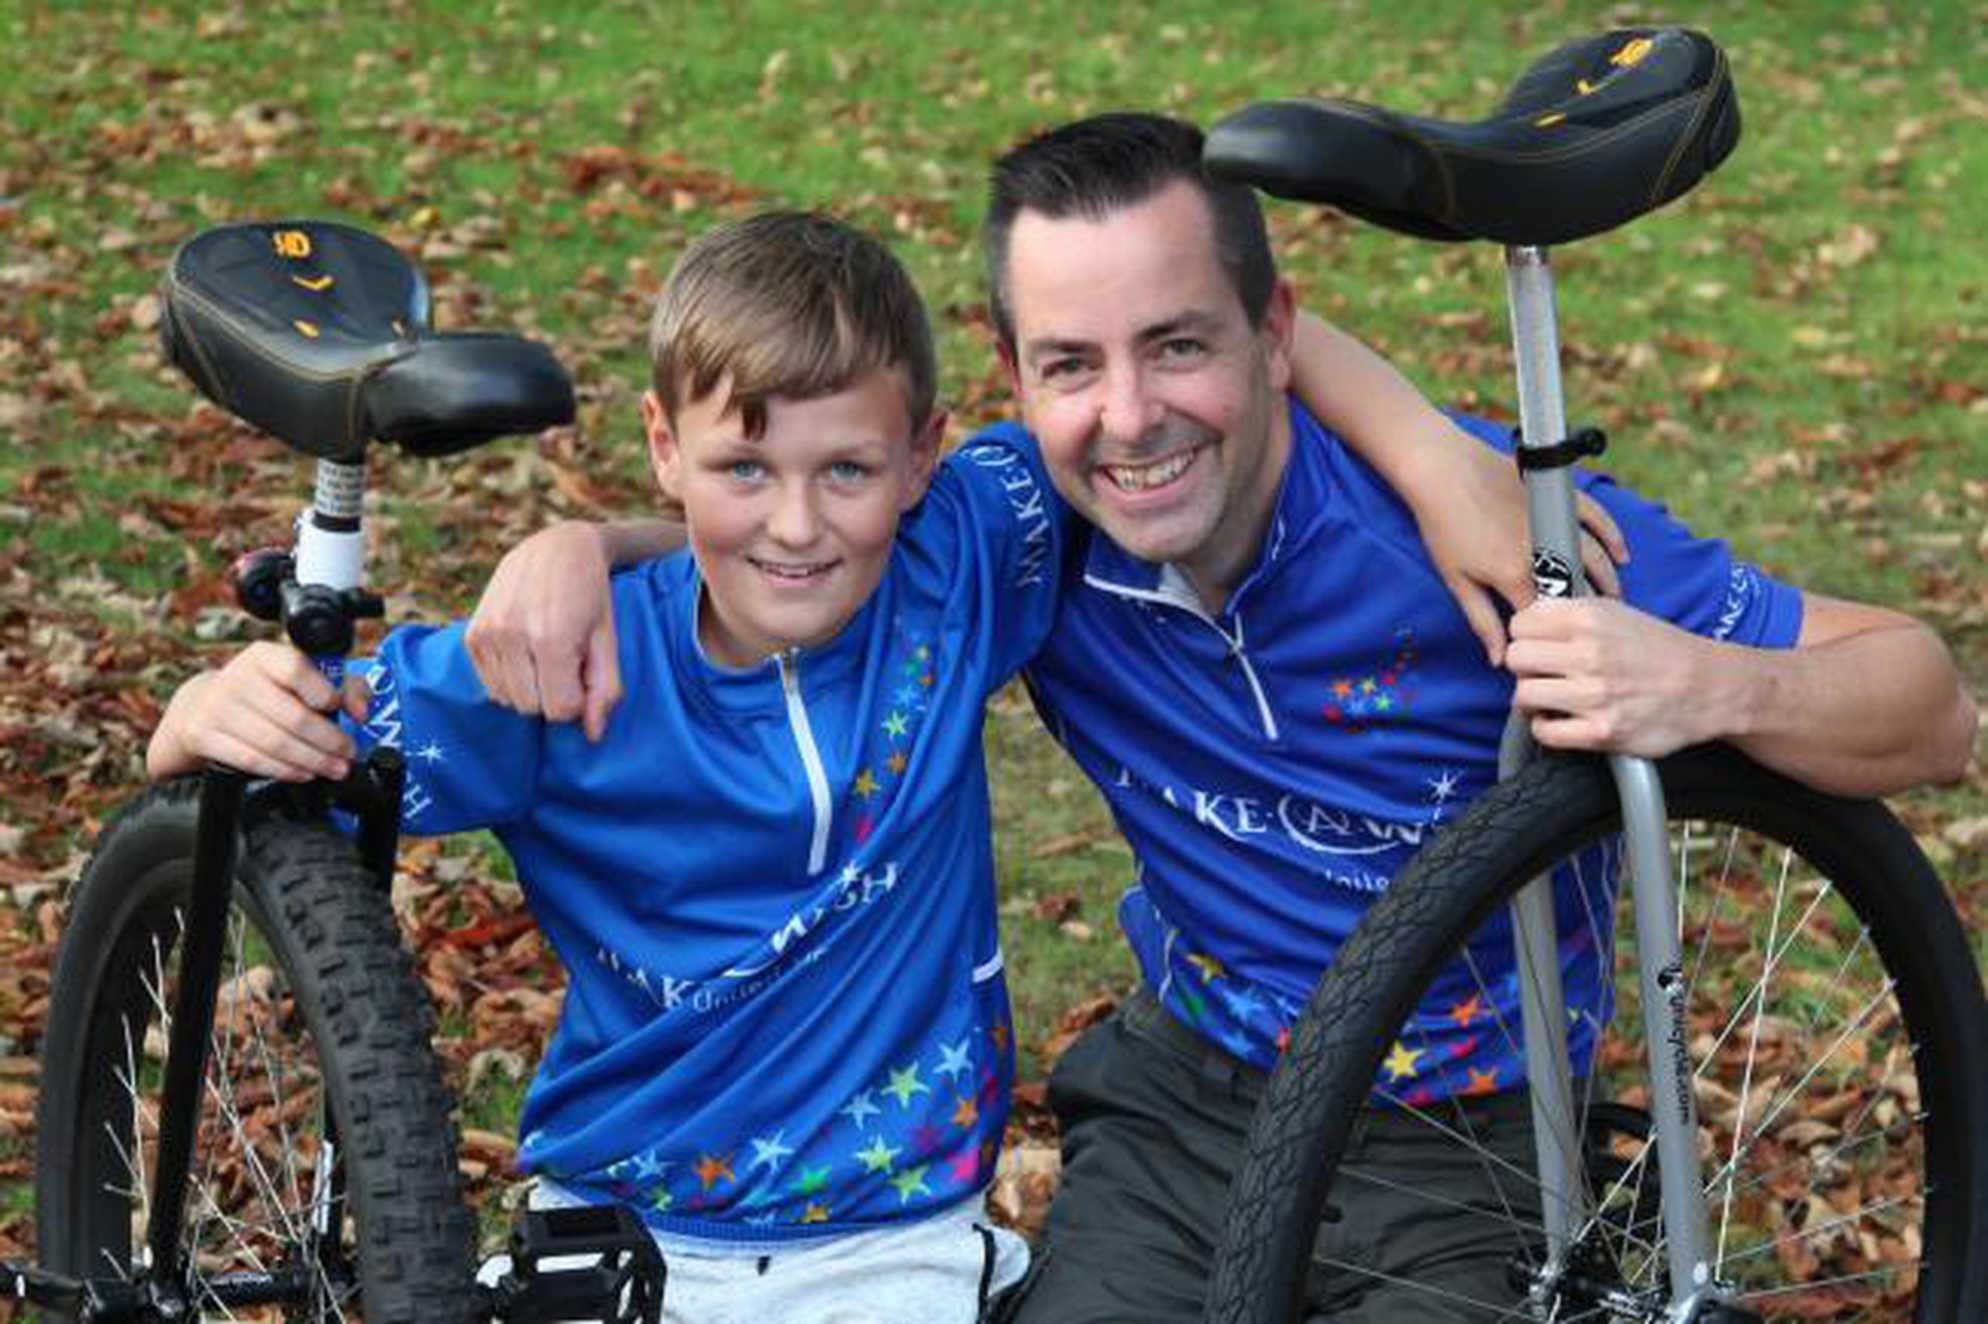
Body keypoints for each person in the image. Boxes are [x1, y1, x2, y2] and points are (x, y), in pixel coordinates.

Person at [459, 117, 1979, 1323]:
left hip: (1474, 1129)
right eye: (1072, 365)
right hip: (1190, 1102)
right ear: (1012, 387)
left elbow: (1928, 706)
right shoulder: (1038, 525)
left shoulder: (1482, 544)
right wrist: (581, 549)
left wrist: (1702, 685)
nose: (1128, 417)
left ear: (1275, 335)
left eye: (1179, 344)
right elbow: (807, 528)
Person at [143, 205, 1559, 1322]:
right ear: (665, 451)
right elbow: (254, 774)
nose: (800, 528)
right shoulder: (562, 665)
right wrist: (206, 713)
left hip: (894, 1245)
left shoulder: (966, 555)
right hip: (622, 1228)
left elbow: (1215, 350)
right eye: (746, 471)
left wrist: (1439, 461)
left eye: (848, 473)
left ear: (927, 457)